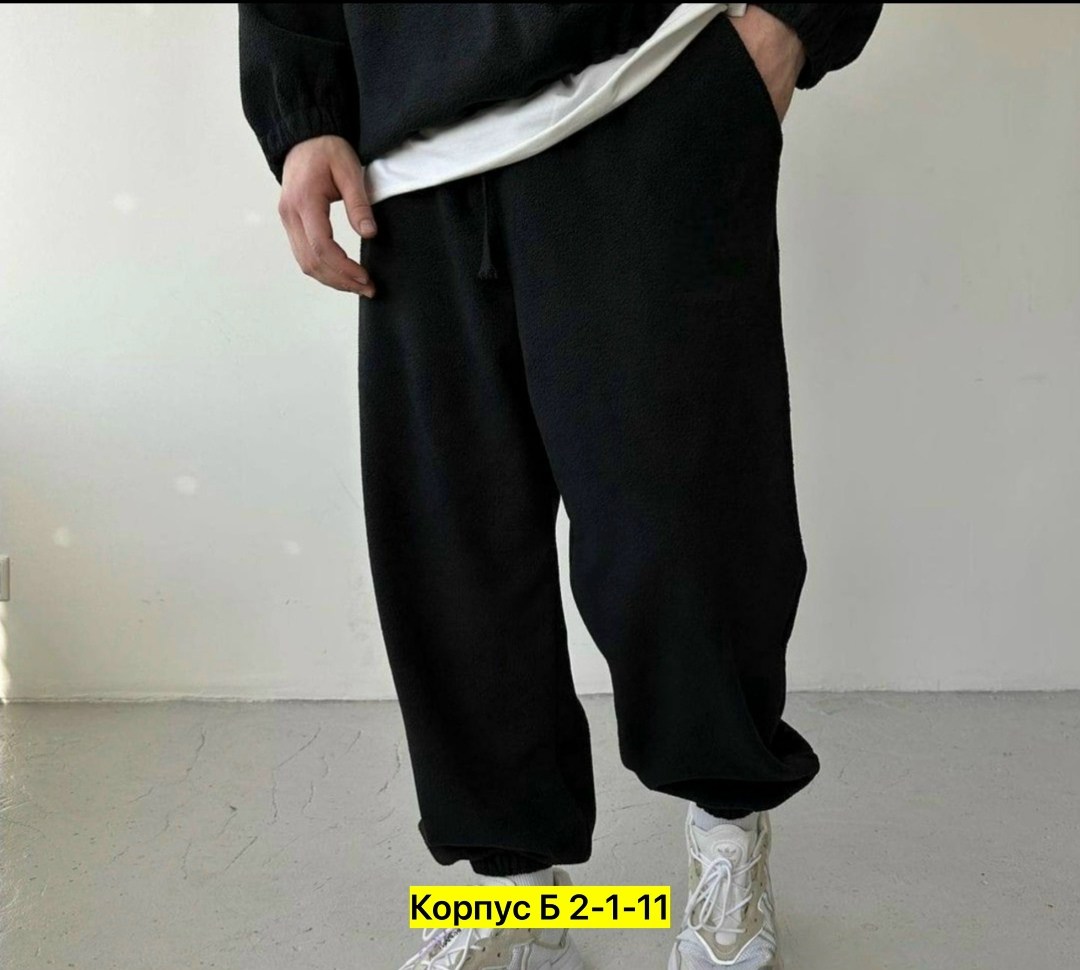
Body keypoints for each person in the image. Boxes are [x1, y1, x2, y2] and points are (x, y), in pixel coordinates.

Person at [239, 4, 882, 968]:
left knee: (682, 524)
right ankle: (510, 893)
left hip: (644, 92)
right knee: (454, 545)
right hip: (412, 158)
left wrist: (791, 21)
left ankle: (728, 835)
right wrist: (304, 111)